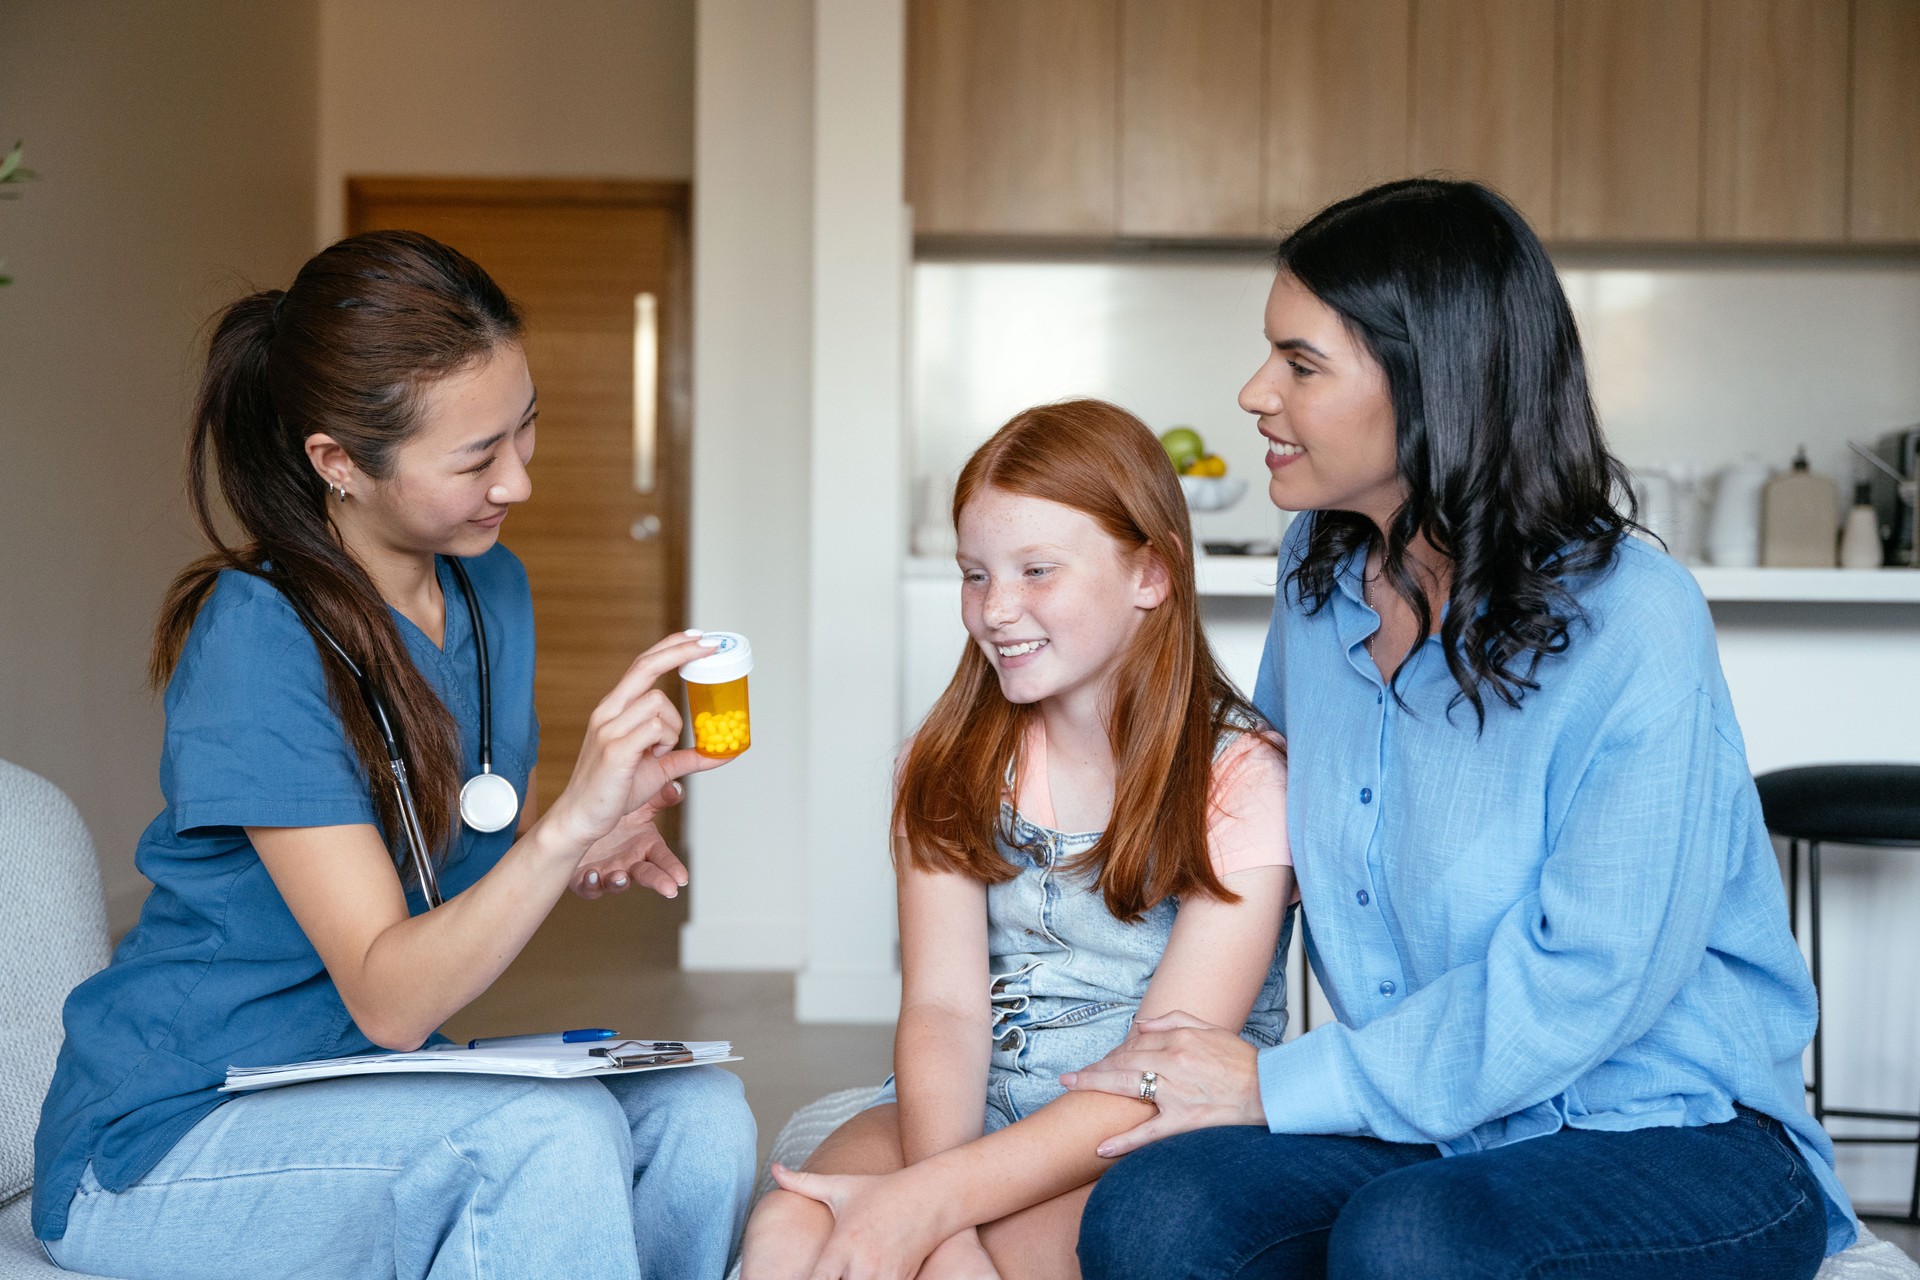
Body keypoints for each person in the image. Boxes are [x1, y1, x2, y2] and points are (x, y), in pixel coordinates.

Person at [1062, 178, 1856, 1279]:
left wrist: (1271, 1085)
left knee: (1417, 1238)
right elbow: (1260, 840)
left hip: (1674, 1129)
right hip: (1425, 1117)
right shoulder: (1317, 568)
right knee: (1158, 1210)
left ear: (1433, 381)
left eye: (1299, 363)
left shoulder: (1635, 618)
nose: (1254, 392)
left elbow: (1591, 977)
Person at [32, 230, 756, 1279]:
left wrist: (595, 828)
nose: (517, 481)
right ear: (338, 463)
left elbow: (452, 852)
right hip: (174, 1131)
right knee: (543, 1138)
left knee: (701, 1113)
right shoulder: (258, 637)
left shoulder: (486, 585)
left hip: (358, 1079)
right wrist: (559, 832)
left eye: (526, 428)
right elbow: (390, 992)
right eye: (474, 458)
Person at [740, 400, 1296, 1280]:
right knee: (786, 1238)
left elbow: (1165, 1065)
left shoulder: (1240, 778)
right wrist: (938, 1209)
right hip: (975, 1106)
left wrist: (933, 1214)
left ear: (1150, 573)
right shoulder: (947, 759)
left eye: (1037, 571)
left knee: (964, 1256)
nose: (998, 609)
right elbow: (944, 1010)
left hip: (1141, 1125)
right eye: (975, 574)